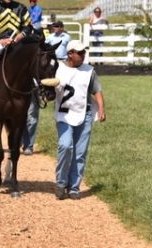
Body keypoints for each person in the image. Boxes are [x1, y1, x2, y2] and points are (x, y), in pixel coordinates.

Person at [54, 40, 106, 200]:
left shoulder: (89, 71)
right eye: (80, 53)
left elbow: (97, 90)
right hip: (64, 115)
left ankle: (74, 187)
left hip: (85, 114)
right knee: (65, 146)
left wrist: (101, 108)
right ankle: (61, 183)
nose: (83, 55)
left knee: (80, 152)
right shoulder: (58, 68)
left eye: (84, 52)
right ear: (70, 54)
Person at [21, 20, 72, 155]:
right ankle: (21, 139)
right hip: (22, 87)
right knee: (20, 116)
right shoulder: (25, 49)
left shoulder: (46, 53)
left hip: (34, 87)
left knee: (32, 117)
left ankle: (29, 145)